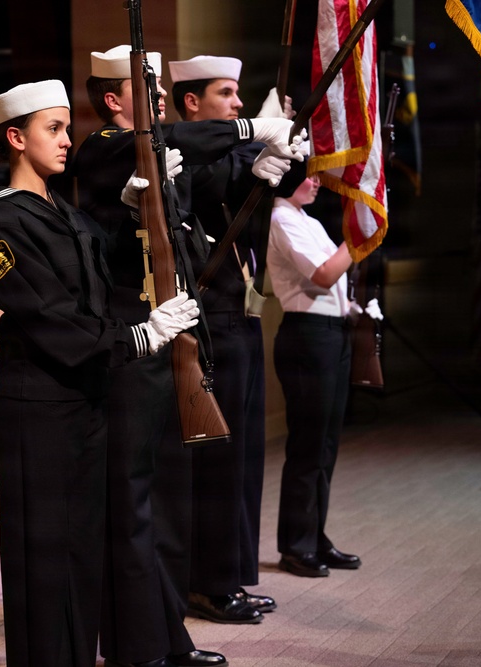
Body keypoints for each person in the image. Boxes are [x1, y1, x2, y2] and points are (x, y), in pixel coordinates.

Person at [72, 45, 302, 667]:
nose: (154, 92)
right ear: (113, 99)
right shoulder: (103, 148)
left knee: (170, 503)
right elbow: (169, 145)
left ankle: (167, 635)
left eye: (156, 81)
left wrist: (259, 169)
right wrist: (251, 131)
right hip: (131, 346)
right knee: (138, 506)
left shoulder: (160, 153)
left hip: (173, 339)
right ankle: (141, 643)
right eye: (140, 84)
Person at [0, 79, 200, 667]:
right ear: (16, 138)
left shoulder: (58, 210)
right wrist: (137, 338)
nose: (69, 140)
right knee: (43, 562)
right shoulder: (5, 222)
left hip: (83, 405)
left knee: (81, 555)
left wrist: (132, 210)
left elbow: (102, 279)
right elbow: (49, 316)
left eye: (68, 127)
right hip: (38, 411)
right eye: (54, 129)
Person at [168, 54, 297, 624]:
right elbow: (208, 184)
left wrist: (276, 157)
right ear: (192, 103)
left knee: (244, 456)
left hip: (241, 313)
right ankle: (208, 583)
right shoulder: (182, 158)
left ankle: (235, 573)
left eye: (240, 94)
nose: (239, 103)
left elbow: (262, 193)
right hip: (209, 318)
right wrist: (252, 150)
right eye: (226, 94)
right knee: (218, 460)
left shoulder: (225, 155)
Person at [267, 162, 380, 577]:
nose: (316, 183)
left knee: (326, 445)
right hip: (307, 336)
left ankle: (316, 536)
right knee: (307, 446)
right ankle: (296, 545)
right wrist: (358, 236)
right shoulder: (281, 217)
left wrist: (356, 310)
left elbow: (334, 285)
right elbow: (324, 272)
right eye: (309, 176)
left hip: (332, 333)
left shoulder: (307, 219)